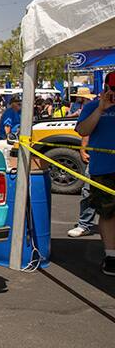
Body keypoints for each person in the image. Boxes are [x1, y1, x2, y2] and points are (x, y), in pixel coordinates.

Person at [75, 71, 115, 275]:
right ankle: (111, 256)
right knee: (107, 213)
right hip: (104, 169)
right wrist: (100, 108)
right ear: (106, 89)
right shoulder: (93, 107)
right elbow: (82, 131)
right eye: (113, 90)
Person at [68, 135, 97, 238]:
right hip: (99, 158)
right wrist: (83, 148)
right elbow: (86, 130)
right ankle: (84, 225)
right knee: (88, 192)